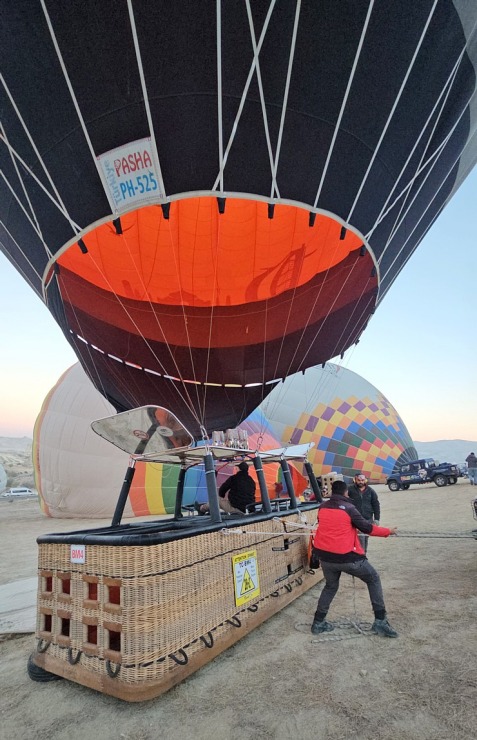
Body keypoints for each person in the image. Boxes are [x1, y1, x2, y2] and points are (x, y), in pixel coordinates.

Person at [311, 480, 398, 638]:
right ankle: (380, 621)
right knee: (373, 579)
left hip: (326, 558)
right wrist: (388, 531)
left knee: (330, 586)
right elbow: (367, 528)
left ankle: (318, 622)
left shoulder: (322, 507)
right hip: (348, 558)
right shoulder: (350, 508)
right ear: (346, 493)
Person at [347, 474, 380, 552]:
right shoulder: (350, 490)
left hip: (368, 519)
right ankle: (362, 558)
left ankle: (363, 555)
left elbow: (376, 504)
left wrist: (377, 519)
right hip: (356, 520)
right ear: (355, 480)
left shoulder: (371, 491)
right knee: (360, 540)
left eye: (362, 480)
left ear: (365, 480)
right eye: (359, 480)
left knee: (365, 539)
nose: (361, 482)